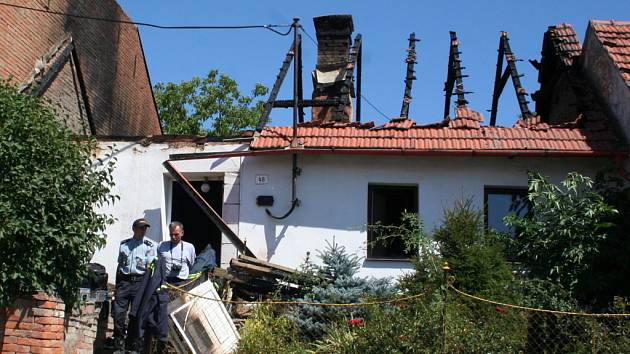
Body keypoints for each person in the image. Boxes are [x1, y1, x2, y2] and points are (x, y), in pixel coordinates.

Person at [112, 218, 157, 354]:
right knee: (118, 315)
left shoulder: (149, 246)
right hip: (124, 282)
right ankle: (118, 345)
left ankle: (131, 346)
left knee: (136, 316)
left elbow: (150, 269)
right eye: (141, 228)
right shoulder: (124, 245)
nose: (143, 231)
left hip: (139, 283)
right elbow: (120, 266)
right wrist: (117, 285)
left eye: (145, 228)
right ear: (134, 229)